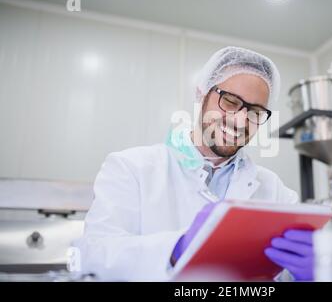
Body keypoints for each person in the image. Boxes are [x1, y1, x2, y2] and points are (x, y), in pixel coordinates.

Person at [74, 46, 314, 281]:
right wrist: (175, 249)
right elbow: (93, 255)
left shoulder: (275, 191)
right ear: (201, 95)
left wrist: (314, 275)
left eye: (256, 111)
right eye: (230, 101)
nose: (241, 120)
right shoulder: (131, 168)